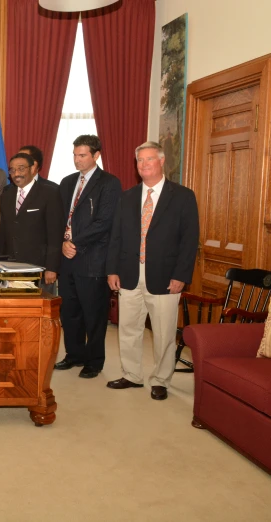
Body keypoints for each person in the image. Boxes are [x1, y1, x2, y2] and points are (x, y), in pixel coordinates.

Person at [106, 142, 199, 400]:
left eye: (149, 159)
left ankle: (161, 379)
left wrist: (181, 275)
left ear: (161, 161)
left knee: (163, 332)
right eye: (140, 161)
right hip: (129, 274)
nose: (144, 165)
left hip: (166, 277)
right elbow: (116, 237)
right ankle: (132, 375)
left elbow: (189, 240)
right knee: (128, 329)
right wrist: (112, 269)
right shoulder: (127, 197)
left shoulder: (182, 196)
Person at [54, 135, 122, 379]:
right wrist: (63, 243)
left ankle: (94, 361)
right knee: (69, 312)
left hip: (93, 259)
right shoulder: (67, 182)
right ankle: (74, 355)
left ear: (96, 155)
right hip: (68, 258)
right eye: (74, 154)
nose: (77, 160)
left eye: (82, 155)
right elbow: (60, 219)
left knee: (93, 314)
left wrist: (75, 242)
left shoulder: (109, 183)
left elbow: (105, 222)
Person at [0, 153, 65, 294]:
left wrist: (51, 267)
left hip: (39, 267)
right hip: (10, 267)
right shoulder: (6, 195)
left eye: (21, 169)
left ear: (32, 169)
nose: (16, 174)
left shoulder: (49, 193)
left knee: (40, 311)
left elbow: (55, 234)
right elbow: (3, 232)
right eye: (12, 170)